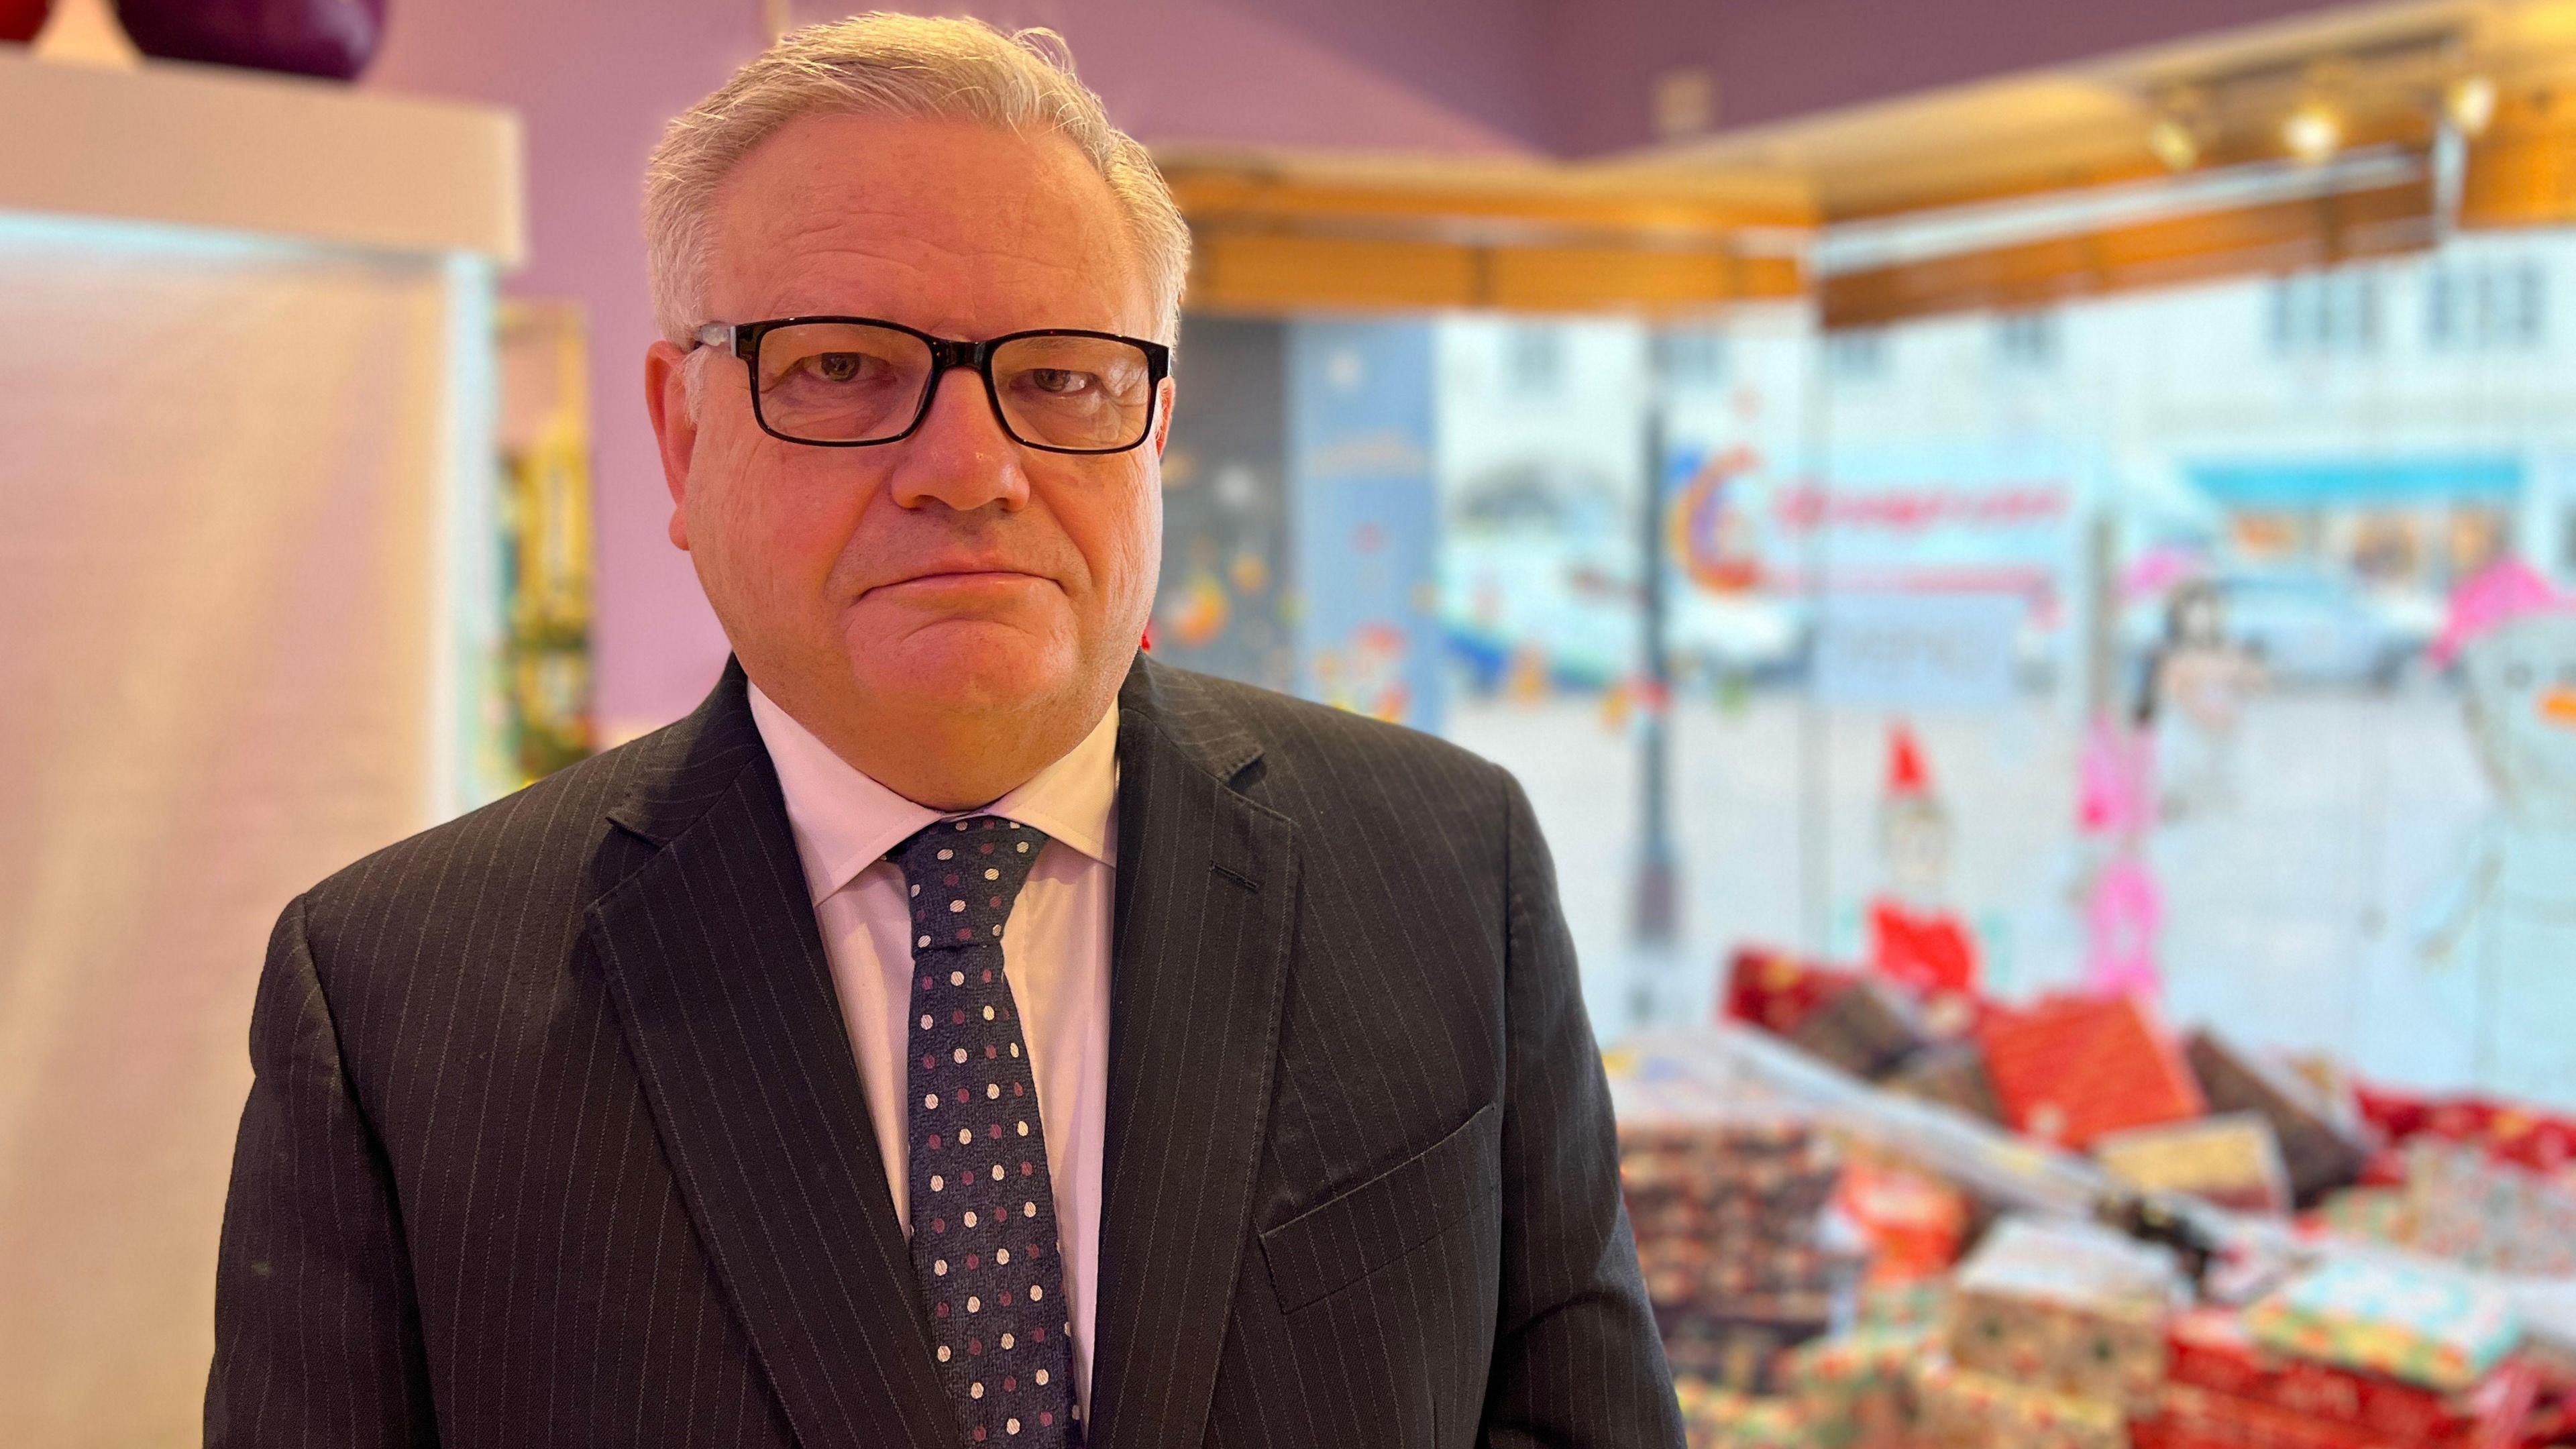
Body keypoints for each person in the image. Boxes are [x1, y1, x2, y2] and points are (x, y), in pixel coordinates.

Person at [205, 14, 1679, 1448]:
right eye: (843, 367)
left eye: (1061, 377)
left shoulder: (1445, 871)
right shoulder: (395, 1006)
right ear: (682, 430)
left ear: (1155, 427)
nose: (970, 470)